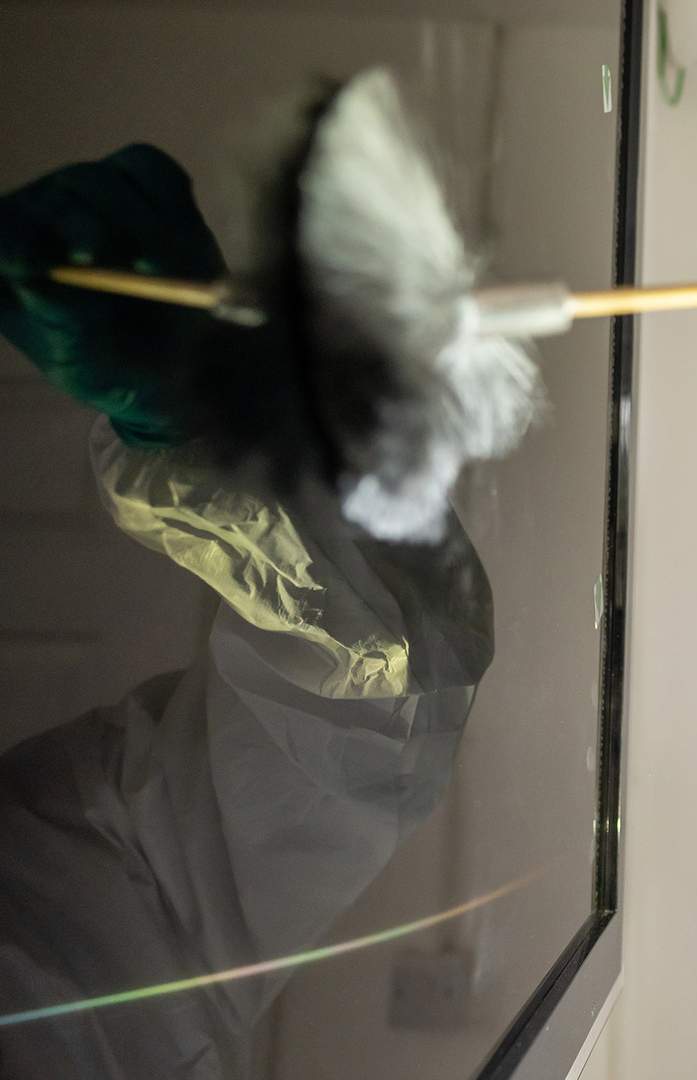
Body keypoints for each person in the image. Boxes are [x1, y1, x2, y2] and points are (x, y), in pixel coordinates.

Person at [0, 146, 493, 1078]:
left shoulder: (77, 882)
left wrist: (202, 411)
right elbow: (375, 694)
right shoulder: (110, 899)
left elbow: (367, 692)